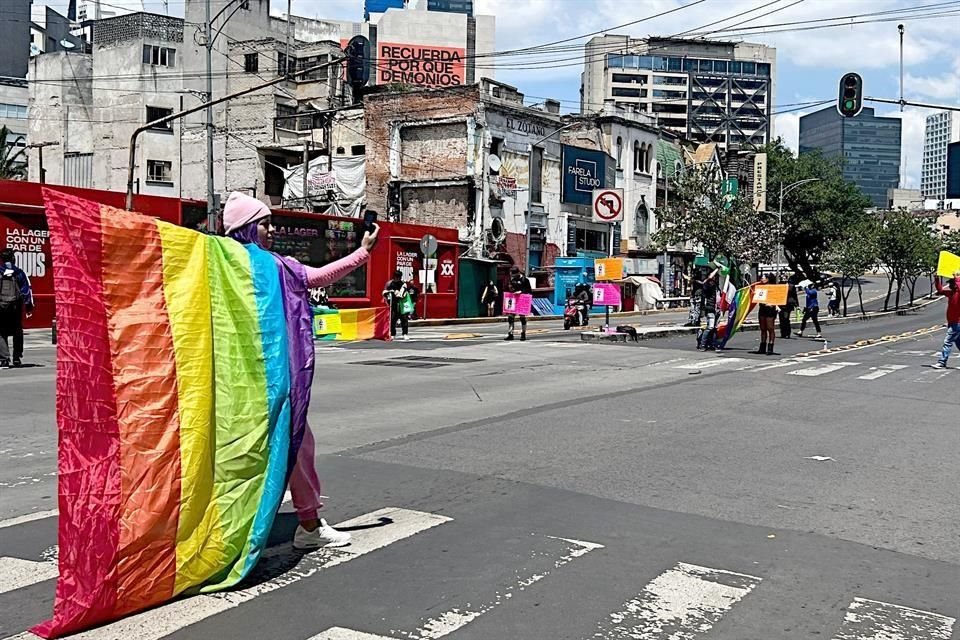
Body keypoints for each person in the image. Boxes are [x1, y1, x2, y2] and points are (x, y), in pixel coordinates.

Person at [223, 191, 378, 550]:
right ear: (247, 228)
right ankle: (306, 524)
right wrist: (364, 251)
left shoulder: (223, 264)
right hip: (267, 377)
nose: (271, 230)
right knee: (294, 444)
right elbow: (318, 277)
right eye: (264, 223)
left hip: (237, 378)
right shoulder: (275, 267)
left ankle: (259, 524)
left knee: (270, 448)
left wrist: (363, 251)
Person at [0, 248, 34, 369]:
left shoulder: (0, 271)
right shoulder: (19, 272)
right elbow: (26, 290)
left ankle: (4, 359)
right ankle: (16, 357)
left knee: (1, 332)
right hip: (16, 306)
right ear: (13, 259)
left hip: (2, 306)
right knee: (17, 331)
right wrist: (28, 306)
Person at [932, 272, 960, 369]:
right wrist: (936, 278)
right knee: (958, 342)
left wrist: (957, 278)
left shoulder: (958, 293)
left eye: (951, 283)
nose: (950, 285)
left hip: (957, 323)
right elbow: (940, 290)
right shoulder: (951, 293)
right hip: (952, 322)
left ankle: (942, 362)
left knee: (947, 341)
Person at [382, 270, 412, 340]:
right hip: (393, 304)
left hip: (402, 303)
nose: (397, 279)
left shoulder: (403, 284)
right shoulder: (389, 284)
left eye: (399, 277)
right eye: (396, 277)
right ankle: (393, 334)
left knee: (404, 319)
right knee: (393, 319)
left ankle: (405, 333)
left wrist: (397, 293)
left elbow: (402, 294)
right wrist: (389, 293)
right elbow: (384, 292)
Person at [504, 266, 531, 341]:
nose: (513, 276)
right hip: (513, 299)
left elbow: (529, 291)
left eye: (514, 275)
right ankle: (510, 333)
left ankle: (523, 333)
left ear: (518, 273)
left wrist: (521, 292)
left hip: (522, 300)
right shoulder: (512, 280)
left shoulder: (525, 280)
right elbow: (508, 288)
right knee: (510, 317)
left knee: (522, 317)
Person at [754, 273, 779, 355]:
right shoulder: (760, 287)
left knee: (770, 328)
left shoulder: (772, 287)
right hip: (762, 309)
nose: (761, 279)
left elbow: (777, 298)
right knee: (763, 328)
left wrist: (772, 303)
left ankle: (770, 346)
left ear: (767, 279)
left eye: (763, 277)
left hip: (770, 310)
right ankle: (762, 346)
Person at [697, 270, 719, 350]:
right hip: (709, 308)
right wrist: (717, 269)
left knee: (714, 328)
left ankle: (712, 344)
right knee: (710, 327)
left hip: (715, 308)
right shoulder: (707, 285)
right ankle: (703, 344)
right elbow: (709, 278)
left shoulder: (715, 284)